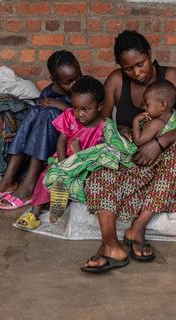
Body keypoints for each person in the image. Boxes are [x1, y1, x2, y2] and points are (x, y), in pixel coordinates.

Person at [80, 30, 176, 274]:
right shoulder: (115, 81)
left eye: (140, 64)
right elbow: (101, 122)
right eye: (129, 69)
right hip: (130, 159)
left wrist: (160, 143)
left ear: (150, 55)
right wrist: (117, 129)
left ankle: (137, 227)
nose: (137, 72)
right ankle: (110, 243)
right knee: (101, 167)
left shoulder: (171, 76)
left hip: (162, 158)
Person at [0, 50, 81, 210]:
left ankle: (28, 186)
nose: (75, 84)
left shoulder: (85, 89)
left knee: (50, 113)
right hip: (48, 139)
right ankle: (9, 180)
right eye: (68, 81)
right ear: (55, 80)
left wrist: (63, 107)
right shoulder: (48, 92)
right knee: (35, 111)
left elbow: (88, 118)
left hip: (71, 138)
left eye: (77, 77)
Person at [13, 76, 107, 230]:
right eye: (76, 108)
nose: (80, 114)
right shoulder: (70, 116)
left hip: (85, 166)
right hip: (64, 160)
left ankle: (59, 205)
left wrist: (77, 160)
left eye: (85, 109)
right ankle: (34, 214)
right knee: (47, 177)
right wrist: (64, 164)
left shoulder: (104, 127)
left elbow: (98, 155)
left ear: (100, 106)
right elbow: (62, 141)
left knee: (75, 184)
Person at [131, 80, 176, 148]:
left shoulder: (155, 124)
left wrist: (135, 120)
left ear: (163, 106)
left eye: (147, 105)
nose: (144, 107)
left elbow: (138, 141)